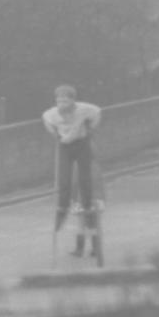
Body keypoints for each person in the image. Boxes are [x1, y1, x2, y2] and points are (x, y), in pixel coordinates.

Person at [42, 85, 102, 255]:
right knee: (64, 179)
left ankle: (88, 206)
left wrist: (90, 129)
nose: (62, 104)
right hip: (64, 146)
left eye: (66, 100)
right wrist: (54, 134)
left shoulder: (84, 109)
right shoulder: (52, 114)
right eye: (59, 100)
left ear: (73, 100)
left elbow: (98, 112)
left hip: (81, 143)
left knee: (84, 179)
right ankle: (62, 208)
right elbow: (45, 118)